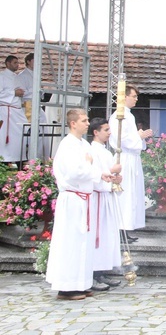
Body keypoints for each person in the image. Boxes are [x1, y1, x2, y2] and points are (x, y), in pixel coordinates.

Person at [46, 109, 114, 300]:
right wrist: (93, 169)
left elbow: (90, 167)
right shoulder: (67, 145)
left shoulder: (83, 144)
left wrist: (101, 173)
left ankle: (81, 283)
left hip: (85, 198)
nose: (87, 123)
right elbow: (75, 172)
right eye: (84, 120)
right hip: (73, 198)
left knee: (83, 242)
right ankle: (66, 287)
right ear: (73, 123)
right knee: (71, 242)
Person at [108, 85, 152, 241]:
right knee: (124, 194)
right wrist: (139, 137)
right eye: (133, 96)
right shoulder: (118, 116)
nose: (136, 99)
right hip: (124, 158)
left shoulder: (129, 116)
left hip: (133, 158)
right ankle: (120, 229)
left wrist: (141, 137)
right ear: (124, 97)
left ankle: (126, 228)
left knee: (132, 194)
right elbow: (121, 140)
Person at [89, 118, 123, 290]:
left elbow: (110, 176)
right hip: (98, 199)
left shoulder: (106, 152)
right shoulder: (91, 151)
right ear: (96, 132)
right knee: (98, 236)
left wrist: (117, 179)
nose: (110, 133)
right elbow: (92, 174)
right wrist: (111, 172)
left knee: (107, 236)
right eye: (106, 129)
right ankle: (93, 274)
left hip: (107, 198)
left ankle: (102, 271)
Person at [16, 53, 50, 159]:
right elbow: (22, 92)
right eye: (35, 61)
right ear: (28, 62)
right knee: (30, 133)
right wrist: (35, 90)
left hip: (37, 105)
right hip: (28, 107)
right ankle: (28, 157)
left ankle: (42, 157)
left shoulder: (36, 75)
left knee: (43, 130)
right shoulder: (22, 76)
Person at [0, 55, 26, 164]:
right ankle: (4, 159)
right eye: (15, 63)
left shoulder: (18, 77)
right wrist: (14, 93)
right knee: (4, 136)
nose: (17, 65)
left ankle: (19, 158)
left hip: (17, 111)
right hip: (6, 111)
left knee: (23, 132)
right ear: (8, 63)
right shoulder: (1, 76)